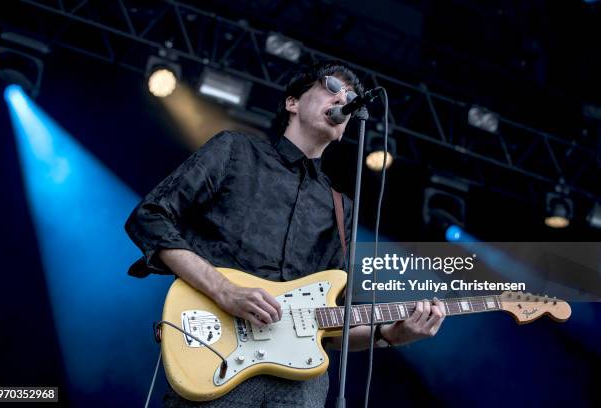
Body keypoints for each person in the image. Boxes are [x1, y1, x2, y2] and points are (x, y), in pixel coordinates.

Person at [125, 60, 446, 408]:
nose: (345, 99)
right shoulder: (235, 151)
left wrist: (393, 334)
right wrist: (224, 290)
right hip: (217, 357)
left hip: (299, 386)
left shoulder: (341, 208)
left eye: (352, 97)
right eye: (332, 88)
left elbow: (332, 321)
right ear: (292, 102)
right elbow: (149, 216)